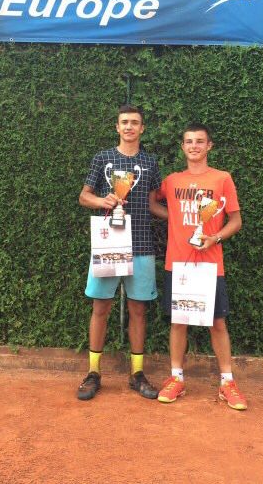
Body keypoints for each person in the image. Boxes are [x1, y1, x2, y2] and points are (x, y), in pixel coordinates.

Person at [150, 123, 247, 410]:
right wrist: (174, 219)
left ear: (209, 146)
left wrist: (214, 238)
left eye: (199, 141)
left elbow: (236, 220)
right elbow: (151, 202)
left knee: (217, 322)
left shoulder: (222, 178)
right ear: (183, 147)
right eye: (189, 141)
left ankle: (227, 382)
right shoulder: (172, 181)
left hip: (210, 263)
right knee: (179, 321)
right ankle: (176, 378)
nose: (194, 146)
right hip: (178, 263)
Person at [77, 104, 161, 401]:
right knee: (101, 308)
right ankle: (93, 372)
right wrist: (103, 202)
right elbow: (83, 196)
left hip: (141, 246)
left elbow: (153, 205)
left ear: (142, 128)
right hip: (109, 243)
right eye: (124, 122)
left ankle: (136, 374)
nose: (129, 127)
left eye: (135, 122)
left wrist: (182, 219)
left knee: (139, 310)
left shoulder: (150, 163)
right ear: (117, 127)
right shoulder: (103, 158)